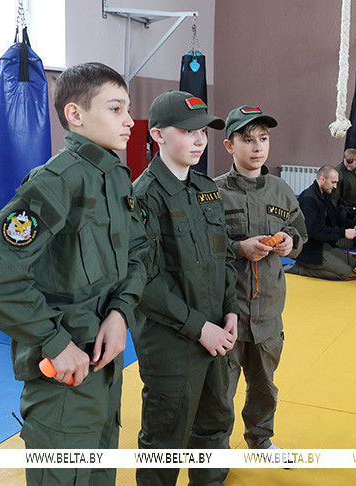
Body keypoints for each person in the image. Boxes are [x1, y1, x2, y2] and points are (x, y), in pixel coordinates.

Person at [0, 62, 147, 486]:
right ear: (75, 114)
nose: (129, 120)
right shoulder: (56, 181)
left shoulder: (115, 177)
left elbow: (138, 252)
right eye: (116, 109)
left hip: (106, 364)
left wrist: (120, 314)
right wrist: (55, 341)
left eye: (128, 109)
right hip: (64, 375)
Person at [131, 91, 236, 485]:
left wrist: (231, 310)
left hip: (216, 334)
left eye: (203, 132)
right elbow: (144, 281)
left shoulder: (207, 189)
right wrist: (199, 327)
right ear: (158, 135)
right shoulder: (143, 196)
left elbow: (224, 255)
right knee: (165, 440)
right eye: (188, 131)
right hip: (172, 344)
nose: (199, 140)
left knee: (215, 424)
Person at [214, 106, 307, 455]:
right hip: (228, 313)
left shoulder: (281, 190)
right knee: (220, 390)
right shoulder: (214, 192)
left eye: (263, 139)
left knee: (265, 386)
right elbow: (202, 247)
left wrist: (289, 242)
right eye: (248, 139)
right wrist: (238, 248)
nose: (257, 147)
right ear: (229, 145)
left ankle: (261, 440)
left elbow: (299, 232)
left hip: (268, 311)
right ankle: (216, 449)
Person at [287, 166, 356, 280]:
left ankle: (310, 265)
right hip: (307, 249)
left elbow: (336, 215)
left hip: (321, 244)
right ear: (323, 179)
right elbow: (315, 231)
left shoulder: (324, 194)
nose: (335, 186)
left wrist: (353, 226)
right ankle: (300, 269)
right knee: (344, 272)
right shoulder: (309, 198)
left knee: (352, 263)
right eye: (333, 182)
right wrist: (344, 233)